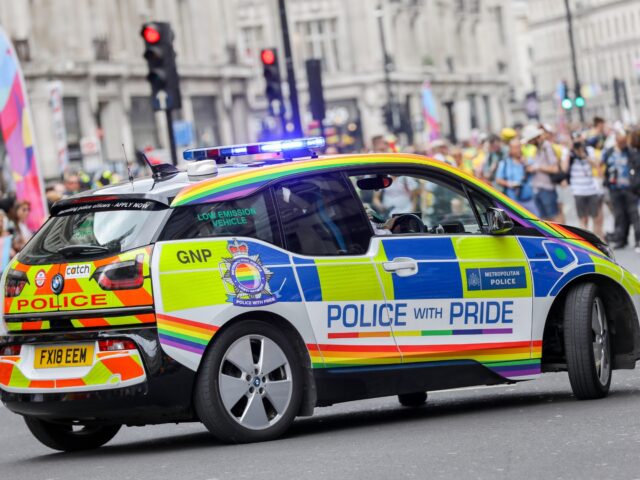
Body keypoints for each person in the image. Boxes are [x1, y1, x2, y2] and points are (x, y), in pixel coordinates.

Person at [603, 130, 640, 250]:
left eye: (624, 141)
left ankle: (638, 240)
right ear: (616, 141)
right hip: (614, 188)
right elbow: (604, 167)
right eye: (621, 142)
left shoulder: (630, 152)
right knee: (619, 215)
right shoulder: (609, 152)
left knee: (634, 214)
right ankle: (621, 239)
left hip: (629, 189)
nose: (623, 144)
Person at [521, 124, 561, 222]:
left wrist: (536, 168)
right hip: (538, 188)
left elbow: (554, 168)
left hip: (546, 188)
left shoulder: (547, 147)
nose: (530, 143)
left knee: (553, 219)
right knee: (545, 220)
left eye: (531, 140)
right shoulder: (538, 149)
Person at [567, 138, 604, 238]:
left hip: (591, 190)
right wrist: (571, 152)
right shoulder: (570, 154)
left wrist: (584, 156)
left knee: (596, 217)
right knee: (583, 219)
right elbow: (564, 168)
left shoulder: (589, 151)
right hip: (578, 191)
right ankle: (586, 241)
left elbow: (597, 166)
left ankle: (597, 240)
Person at [495, 138, 538, 214]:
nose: (518, 150)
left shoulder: (527, 161)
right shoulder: (505, 163)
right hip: (513, 202)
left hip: (530, 201)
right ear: (510, 149)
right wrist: (510, 184)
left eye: (519, 147)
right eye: (515, 148)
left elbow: (535, 170)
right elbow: (498, 179)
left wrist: (525, 164)